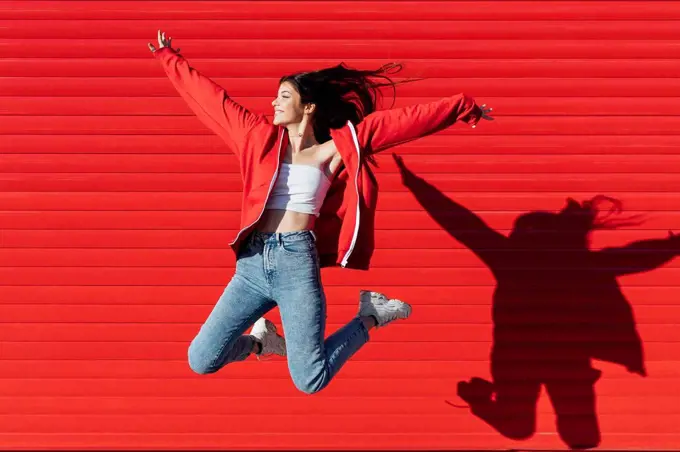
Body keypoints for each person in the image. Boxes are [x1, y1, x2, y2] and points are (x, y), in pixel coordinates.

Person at [148, 30, 494, 394]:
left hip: (296, 265)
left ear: (308, 106)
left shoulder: (335, 149)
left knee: (310, 381)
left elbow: (401, 122)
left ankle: (372, 315)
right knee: (201, 358)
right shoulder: (256, 137)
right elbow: (212, 100)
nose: (274, 102)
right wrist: (169, 58)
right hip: (251, 266)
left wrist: (461, 107)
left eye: (284, 96)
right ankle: (262, 344)